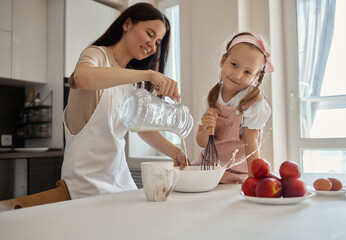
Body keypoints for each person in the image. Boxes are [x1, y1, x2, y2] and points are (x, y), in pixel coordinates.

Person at [62, 2, 188, 199]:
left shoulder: (132, 80)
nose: (153, 46)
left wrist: (176, 152)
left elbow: (141, 127)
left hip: (121, 181)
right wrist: (148, 75)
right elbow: (82, 78)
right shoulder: (96, 55)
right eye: (150, 34)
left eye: (157, 42)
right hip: (85, 185)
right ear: (127, 23)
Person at [195, 32, 274, 184]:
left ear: (255, 77)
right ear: (223, 60)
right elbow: (201, 142)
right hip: (207, 171)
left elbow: (251, 146)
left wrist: (254, 183)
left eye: (247, 72)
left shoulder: (253, 102)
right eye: (234, 65)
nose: (237, 75)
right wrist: (206, 128)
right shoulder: (209, 99)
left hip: (237, 174)